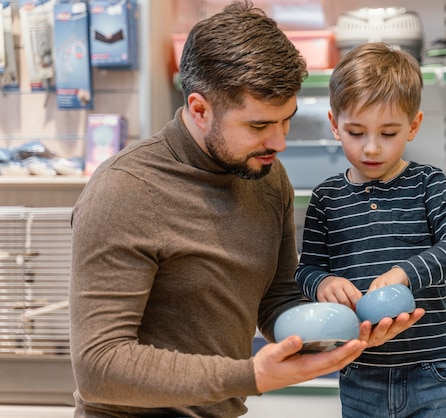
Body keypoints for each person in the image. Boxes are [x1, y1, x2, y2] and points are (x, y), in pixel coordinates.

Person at [69, 3, 424, 418]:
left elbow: (276, 302)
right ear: (200, 110)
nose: (279, 142)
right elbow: (99, 365)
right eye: (258, 126)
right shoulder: (124, 190)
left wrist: (343, 330)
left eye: (286, 120)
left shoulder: (268, 177)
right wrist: (251, 375)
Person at [295, 42, 446, 418]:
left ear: (413, 126)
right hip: (359, 369)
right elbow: (306, 268)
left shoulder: (427, 183)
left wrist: (405, 274)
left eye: (389, 132)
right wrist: (322, 284)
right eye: (356, 132)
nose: (372, 148)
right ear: (334, 125)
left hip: (432, 369)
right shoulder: (327, 198)